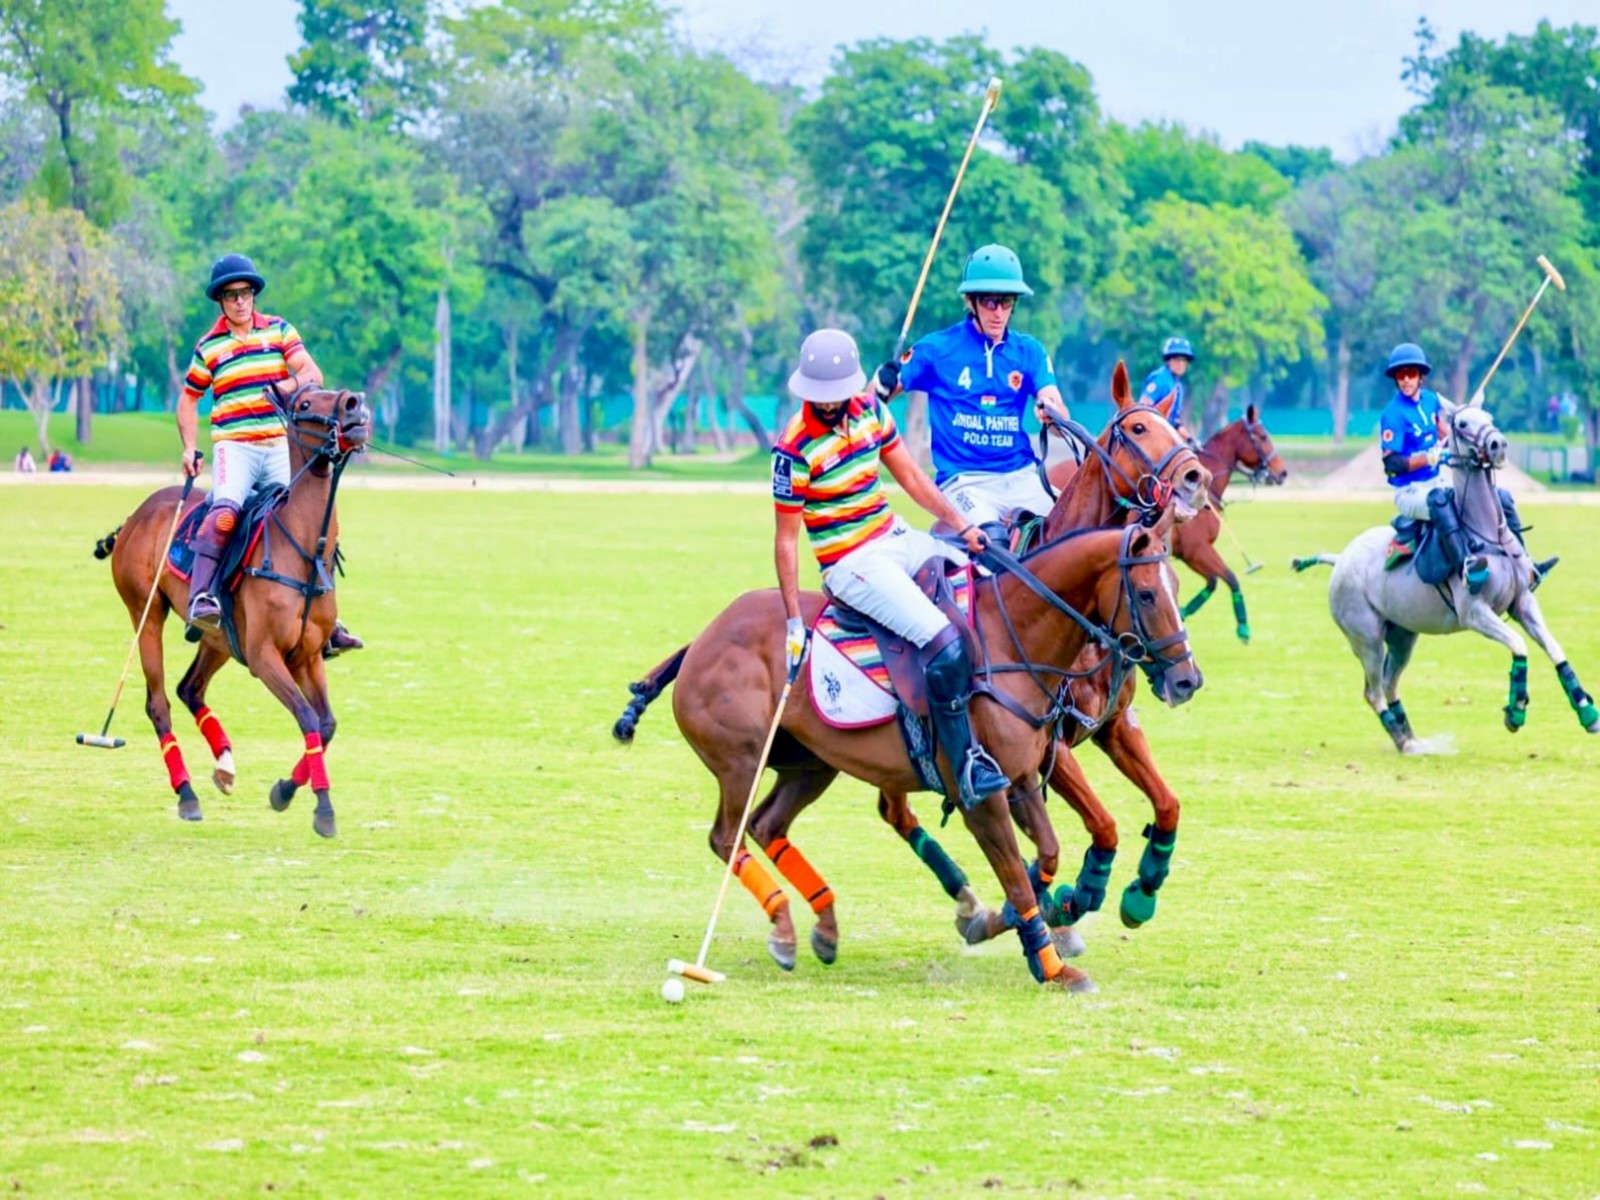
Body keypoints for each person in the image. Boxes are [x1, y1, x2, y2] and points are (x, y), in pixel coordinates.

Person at [774, 328, 1007, 810]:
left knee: (981, 589)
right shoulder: (793, 448)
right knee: (941, 639)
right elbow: (786, 540)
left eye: (836, 395)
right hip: (850, 563)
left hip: (894, 536)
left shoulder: (871, 411)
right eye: (822, 397)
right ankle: (964, 766)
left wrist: (961, 526)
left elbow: (913, 478)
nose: (831, 405)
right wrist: (795, 620)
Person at [176, 253, 363, 654]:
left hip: (279, 444)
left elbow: (313, 374)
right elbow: (188, 400)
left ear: (254, 295)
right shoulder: (209, 347)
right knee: (225, 512)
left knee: (310, 521)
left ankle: (327, 618)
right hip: (236, 446)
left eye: (245, 293)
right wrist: (189, 448)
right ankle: (202, 597)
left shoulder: (279, 331)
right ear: (221, 301)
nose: (240, 301)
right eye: (231, 295)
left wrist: (286, 387)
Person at [871, 245, 1071, 541]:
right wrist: (879, 383)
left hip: (1021, 476)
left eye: (1006, 302)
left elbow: (1058, 415)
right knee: (994, 543)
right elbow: (868, 404)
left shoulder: (1029, 351)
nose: (999, 312)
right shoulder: (937, 349)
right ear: (970, 300)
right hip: (964, 482)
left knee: (1073, 534)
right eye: (990, 302)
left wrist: (1050, 413)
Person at [1379, 342, 1555, 589]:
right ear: (1395, 379)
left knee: (1499, 497)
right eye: (1400, 374)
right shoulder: (1392, 414)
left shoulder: (1430, 401)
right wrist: (1428, 458)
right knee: (1441, 503)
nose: (1406, 379)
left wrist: (1465, 419)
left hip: (1438, 482)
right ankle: (1466, 569)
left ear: (1421, 377)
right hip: (1410, 492)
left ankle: (1526, 564)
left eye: (1411, 373)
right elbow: (1391, 463)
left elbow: (1445, 433)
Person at [1141, 336, 1196, 441]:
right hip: (1150, 436)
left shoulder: (1178, 385)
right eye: (1177, 359)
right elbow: (1143, 409)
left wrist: (1190, 439)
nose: (1181, 364)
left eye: (1184, 360)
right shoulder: (1160, 379)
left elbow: (1174, 422)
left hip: (1165, 434)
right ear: (1168, 361)